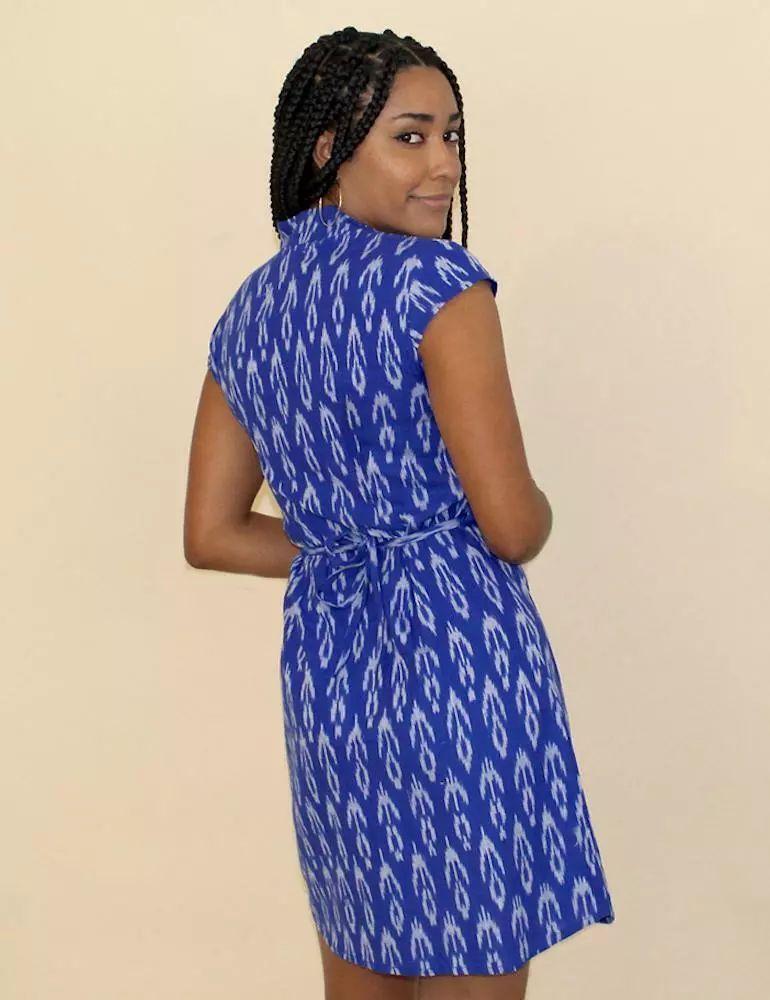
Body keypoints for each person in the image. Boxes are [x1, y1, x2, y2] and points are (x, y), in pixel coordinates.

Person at [183, 26, 614, 1000]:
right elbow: (510, 527)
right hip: (458, 671)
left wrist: (347, 548)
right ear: (327, 148)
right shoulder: (435, 284)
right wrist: (532, 510)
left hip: (331, 681)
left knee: (363, 960)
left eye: (451, 135)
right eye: (410, 137)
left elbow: (213, 533)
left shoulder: (252, 312)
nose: (444, 165)